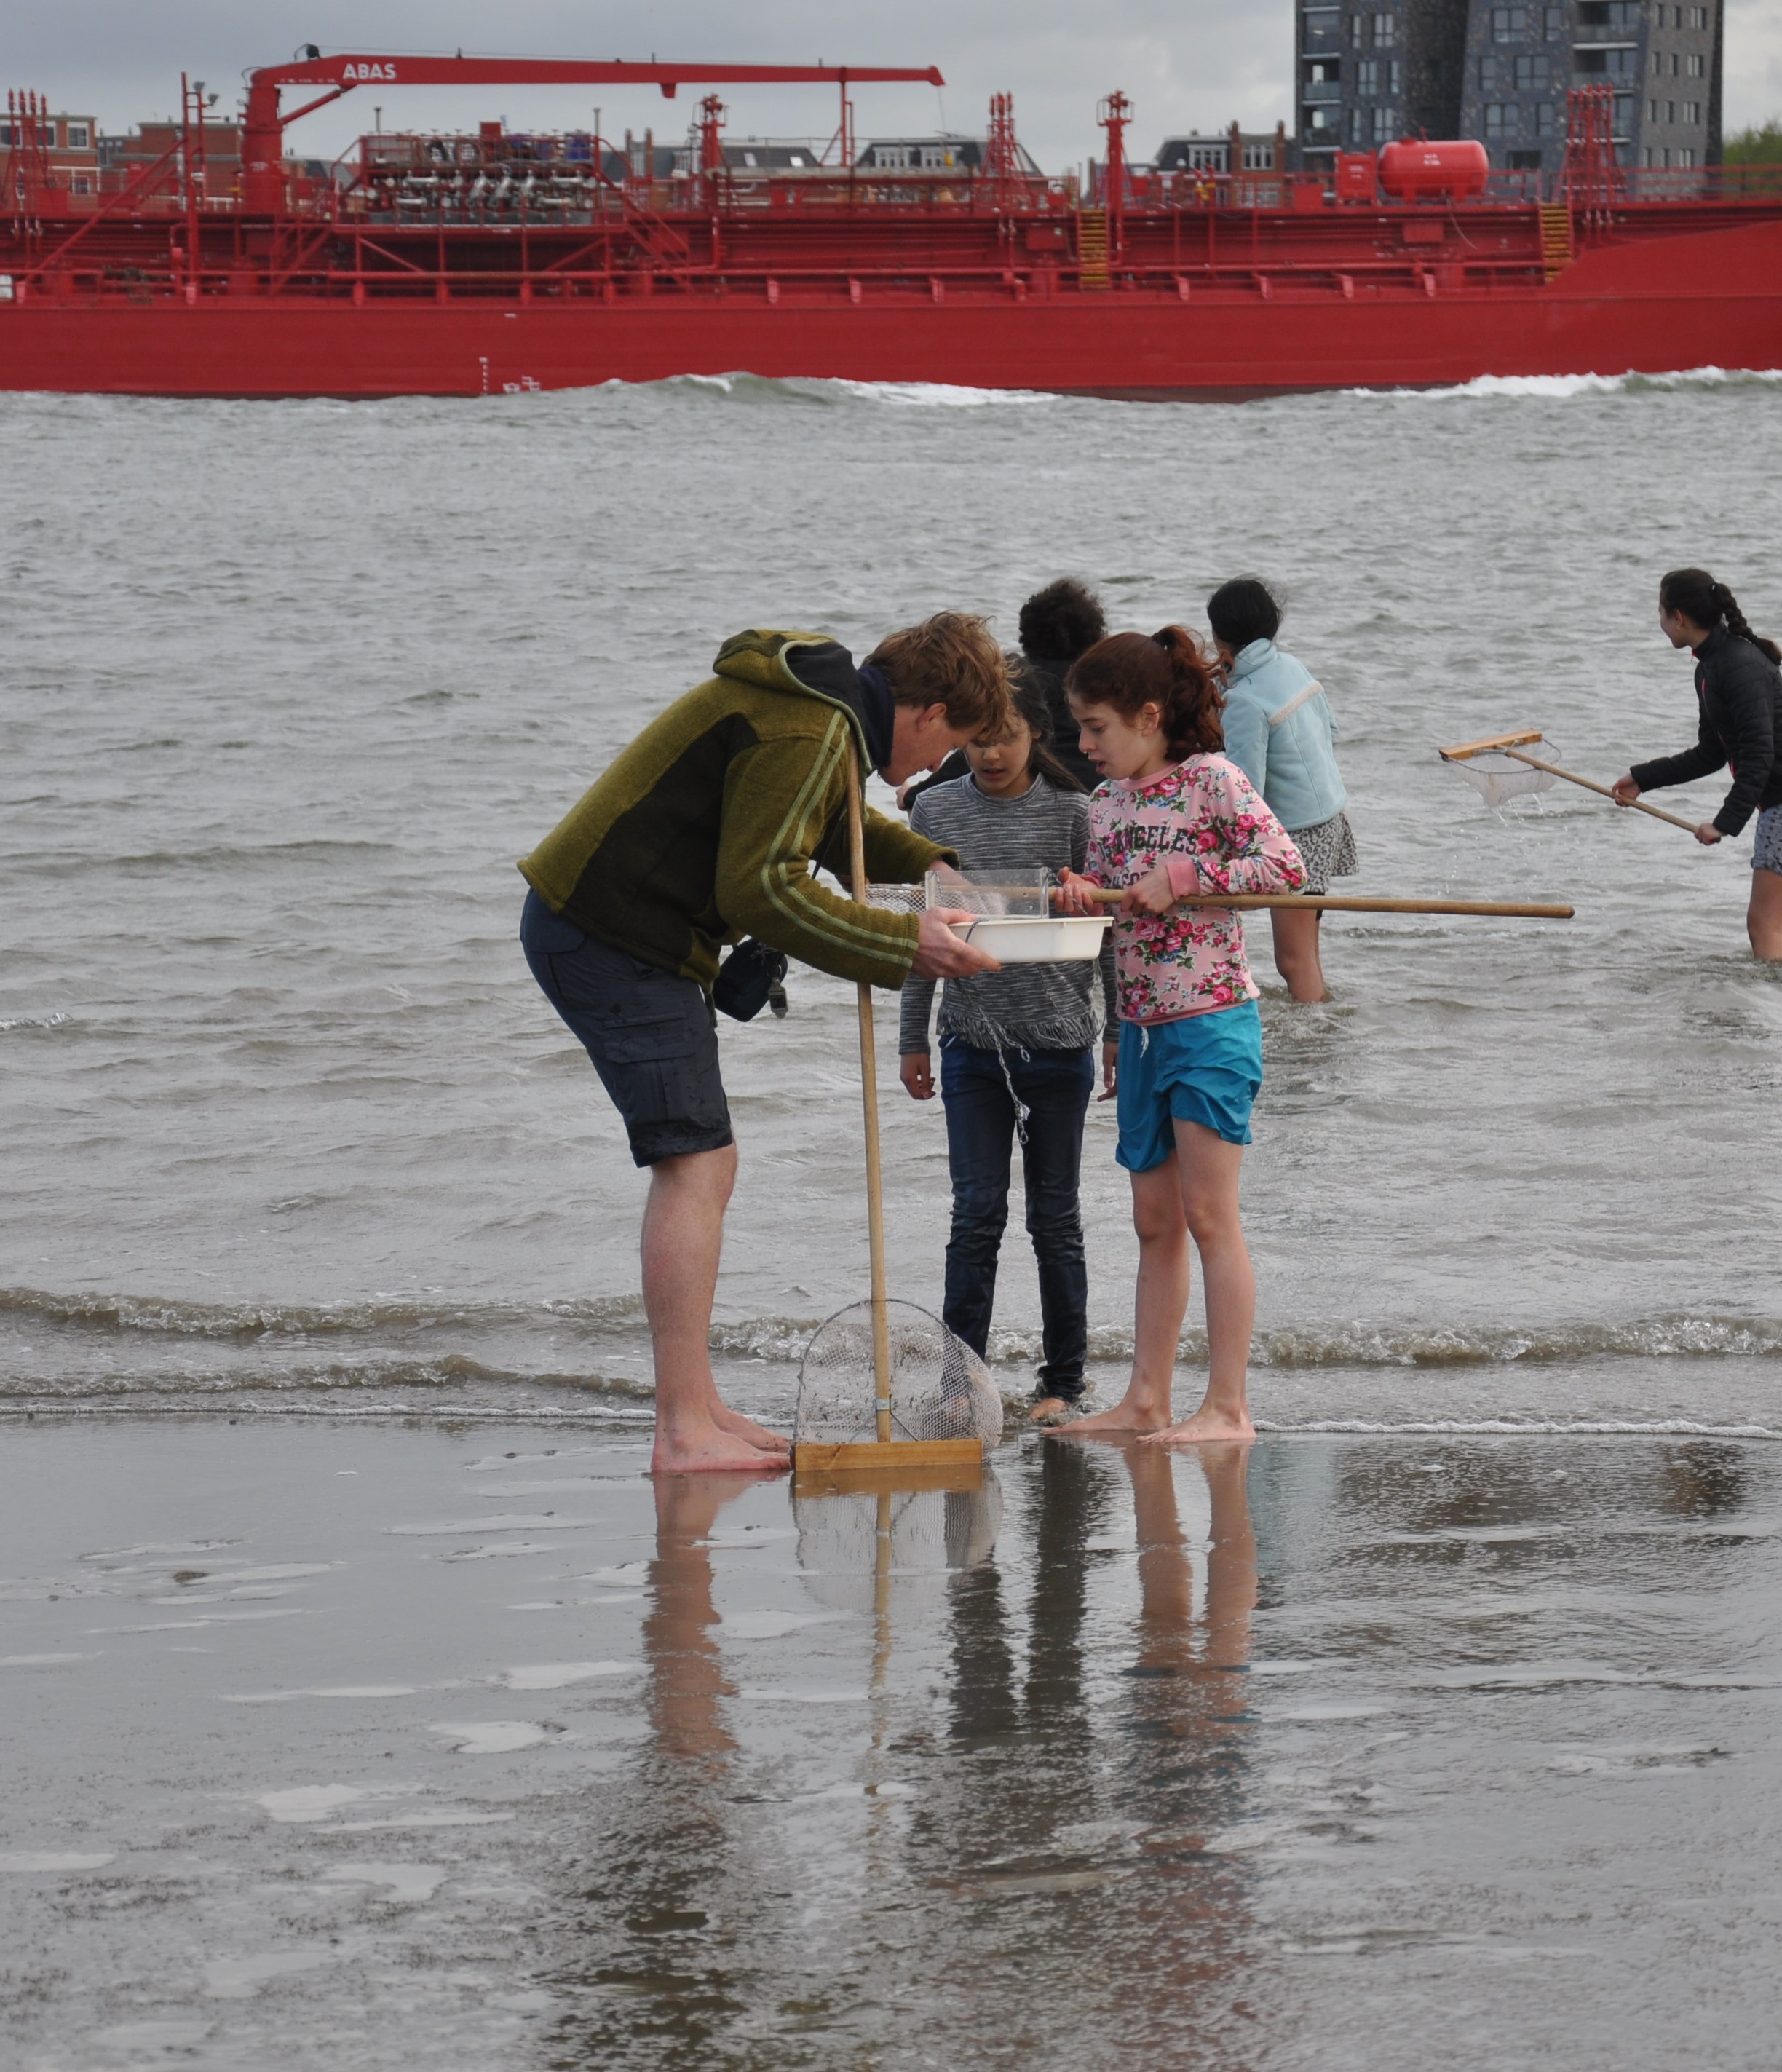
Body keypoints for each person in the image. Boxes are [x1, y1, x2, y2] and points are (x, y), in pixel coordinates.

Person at [518, 617, 1009, 1475]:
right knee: (694, 1164)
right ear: (930, 713)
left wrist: (935, 868)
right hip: (611, 934)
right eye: (949, 746)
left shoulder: (825, 715)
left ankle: (697, 1405)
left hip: (621, 932)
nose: (937, 766)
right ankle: (682, 1430)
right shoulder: (810, 726)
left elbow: (833, 825)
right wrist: (904, 943)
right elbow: (760, 889)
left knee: (709, 1162)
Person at [1051, 628, 1305, 1444]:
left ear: (1150, 716)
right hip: (1141, 1029)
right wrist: (1086, 894)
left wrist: (1186, 876)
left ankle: (1228, 1407)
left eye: (1096, 727)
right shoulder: (1104, 806)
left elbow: (1286, 867)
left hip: (1212, 1020)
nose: (1084, 745)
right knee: (1153, 1221)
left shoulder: (1212, 780)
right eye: (1080, 728)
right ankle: (1146, 1400)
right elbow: (1115, 913)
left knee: (1208, 1215)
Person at [897, 674, 1119, 1428]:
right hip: (970, 1044)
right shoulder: (934, 810)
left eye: (1008, 737)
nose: (992, 753)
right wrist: (913, 1038)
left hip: (1060, 1044)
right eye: (979, 739)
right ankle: (961, 1383)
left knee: (1055, 1220)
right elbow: (925, 934)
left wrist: (1117, 1030)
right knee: (975, 1215)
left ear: (1036, 735)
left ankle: (1064, 1383)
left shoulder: (1074, 815)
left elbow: (1107, 935)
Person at [1610, 567, 1782, 961]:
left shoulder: (1738, 666)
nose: (1660, 623)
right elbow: (1711, 752)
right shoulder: (1712, 666)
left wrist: (1724, 823)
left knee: (1764, 925)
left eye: (1660, 613)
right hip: (1775, 801)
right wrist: (1642, 778)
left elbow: (1760, 754)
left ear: (1678, 618)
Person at [1206, 576, 1354, 1003]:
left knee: (1291, 960)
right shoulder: (1290, 666)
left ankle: (1311, 1034)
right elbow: (1332, 731)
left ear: (1219, 636)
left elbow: (1243, 788)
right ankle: (1322, 1019)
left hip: (1296, 834)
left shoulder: (1244, 700)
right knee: (1307, 950)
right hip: (1328, 817)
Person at [901, 578, 1107, 808]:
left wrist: (913, 795)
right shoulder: (1102, 685)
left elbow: (976, 747)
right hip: (1099, 789)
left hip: (1027, 793)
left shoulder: (1017, 682)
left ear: (1027, 630)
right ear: (1094, 633)